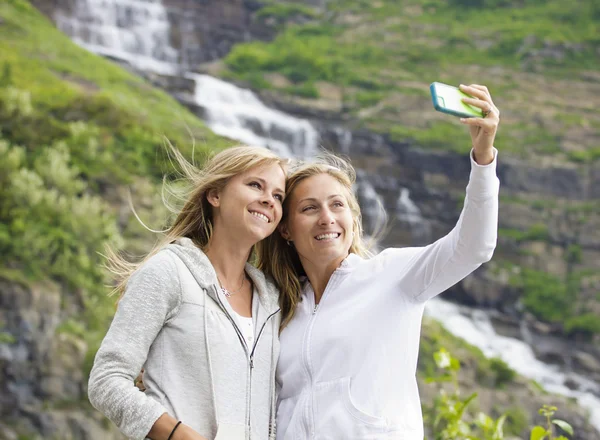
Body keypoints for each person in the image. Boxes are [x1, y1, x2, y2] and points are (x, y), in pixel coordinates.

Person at [258, 84, 501, 439]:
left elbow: (474, 246)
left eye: (337, 205)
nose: (326, 217)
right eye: (309, 208)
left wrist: (483, 157)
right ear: (286, 230)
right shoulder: (279, 308)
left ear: (352, 219)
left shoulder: (392, 276)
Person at [88, 145, 287, 440]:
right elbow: (106, 380)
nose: (268, 200)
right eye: (255, 185)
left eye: (278, 196)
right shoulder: (169, 271)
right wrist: (178, 435)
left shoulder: (272, 300)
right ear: (215, 195)